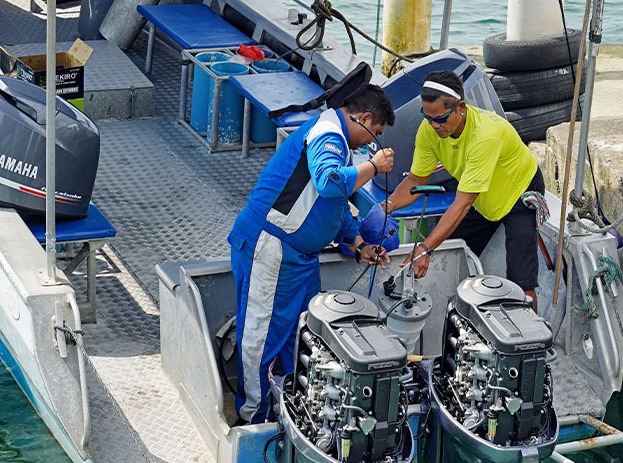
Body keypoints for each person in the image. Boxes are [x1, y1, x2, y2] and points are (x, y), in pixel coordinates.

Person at [229, 84, 397, 424]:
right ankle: (253, 418)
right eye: (376, 133)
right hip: (272, 249)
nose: (372, 143)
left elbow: (334, 205)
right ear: (364, 119)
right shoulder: (328, 133)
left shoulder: (341, 142)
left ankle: (292, 409)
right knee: (261, 337)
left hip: (300, 259)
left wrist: (359, 245)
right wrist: (374, 167)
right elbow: (328, 182)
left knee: (303, 334)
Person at [385, 70, 546, 302]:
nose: (434, 125)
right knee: (450, 252)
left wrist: (425, 248)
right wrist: (386, 207)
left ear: (461, 107)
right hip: (479, 197)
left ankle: (529, 323)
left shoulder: (485, 136)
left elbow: (462, 203)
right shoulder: (429, 130)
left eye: (441, 118)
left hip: (518, 194)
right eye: (427, 117)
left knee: (522, 283)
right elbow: (416, 181)